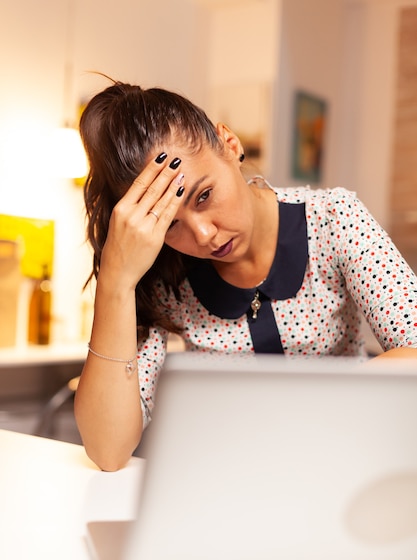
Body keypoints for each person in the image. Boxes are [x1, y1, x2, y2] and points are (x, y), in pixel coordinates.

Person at [74, 80, 417, 471]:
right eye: (170, 223)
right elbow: (107, 450)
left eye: (203, 196)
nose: (203, 235)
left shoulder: (334, 219)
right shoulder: (159, 271)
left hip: (343, 466)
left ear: (230, 145)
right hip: (225, 482)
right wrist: (116, 282)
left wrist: (296, 418)